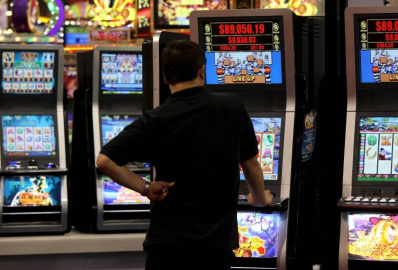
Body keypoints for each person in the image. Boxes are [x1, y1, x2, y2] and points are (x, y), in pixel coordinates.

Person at [96, 40, 273, 270]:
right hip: (213, 247)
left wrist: (145, 187)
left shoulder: (155, 119)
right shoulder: (231, 106)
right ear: (202, 71)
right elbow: (250, 163)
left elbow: (104, 160)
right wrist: (259, 199)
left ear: (165, 77)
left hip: (166, 246)